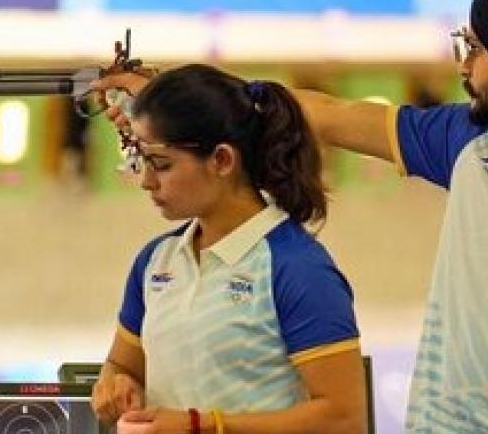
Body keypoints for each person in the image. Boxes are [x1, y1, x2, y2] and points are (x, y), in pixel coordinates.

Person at [93, 0, 488, 431]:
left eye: (473, 49)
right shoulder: (468, 142)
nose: (462, 65)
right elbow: (324, 113)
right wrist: (170, 93)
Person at [90, 64, 366, 434]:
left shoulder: (297, 268)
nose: (146, 181)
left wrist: (202, 426)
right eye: (140, 161)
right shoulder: (155, 260)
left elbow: (343, 419)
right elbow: (123, 366)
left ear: (222, 160)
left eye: (161, 164)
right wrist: (114, 383)